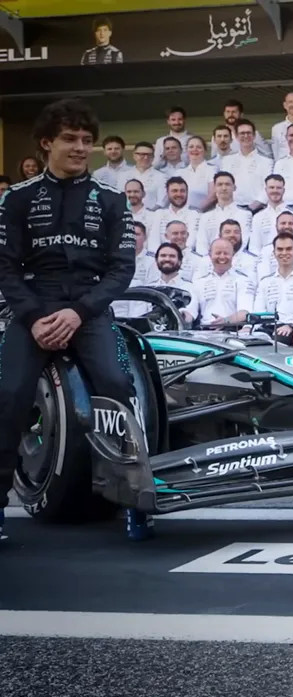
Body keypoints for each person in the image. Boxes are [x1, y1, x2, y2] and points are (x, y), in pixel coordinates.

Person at [0, 99, 140, 542]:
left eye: (86, 140)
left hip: (91, 306)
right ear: (47, 143)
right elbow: (4, 266)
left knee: (118, 386)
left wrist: (79, 312)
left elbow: (122, 269)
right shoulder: (16, 198)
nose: (81, 148)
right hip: (33, 307)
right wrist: (38, 317)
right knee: (7, 393)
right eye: (70, 139)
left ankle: (133, 499)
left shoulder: (113, 198)